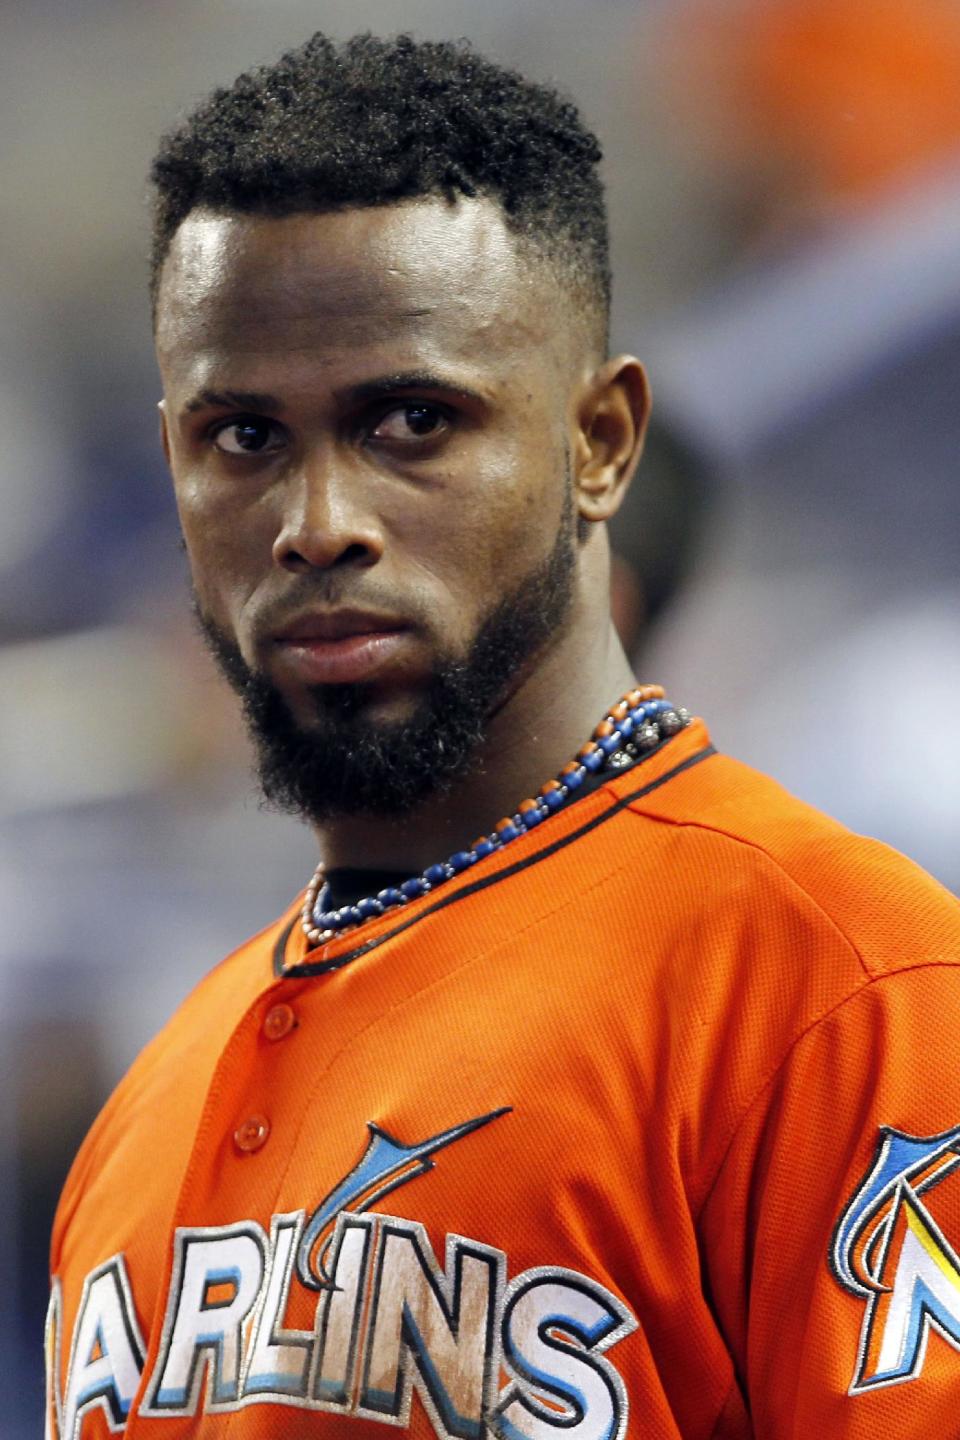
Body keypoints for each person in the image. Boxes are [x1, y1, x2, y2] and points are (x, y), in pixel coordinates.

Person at [46, 32, 960, 1440]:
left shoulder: (839, 984)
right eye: (241, 438)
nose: (316, 522)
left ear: (601, 441)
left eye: (411, 419)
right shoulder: (154, 1100)